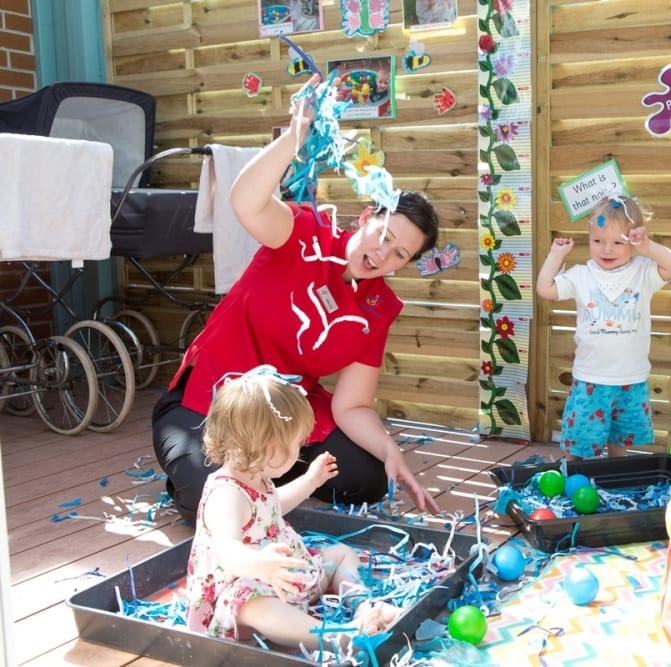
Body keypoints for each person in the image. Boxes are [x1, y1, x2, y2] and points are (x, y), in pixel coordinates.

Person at [152, 76, 442, 523]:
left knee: (367, 477)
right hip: (209, 401)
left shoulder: (378, 308)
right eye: (384, 235)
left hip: (283, 418)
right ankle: (238, 481)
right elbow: (246, 203)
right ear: (366, 217)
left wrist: (391, 451)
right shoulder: (305, 231)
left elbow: (351, 405)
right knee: (209, 500)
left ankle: (263, 481)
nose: (383, 254)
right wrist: (294, 137)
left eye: (400, 254)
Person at [185, 367, 399, 651]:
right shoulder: (226, 494)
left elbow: (273, 506)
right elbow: (225, 548)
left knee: (341, 554)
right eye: (296, 443)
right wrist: (259, 564)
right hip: (240, 590)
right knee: (257, 606)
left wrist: (310, 481)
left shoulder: (256, 477)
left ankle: (362, 605)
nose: (301, 449)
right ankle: (334, 636)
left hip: (283, 577)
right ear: (267, 446)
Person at [536, 194, 671, 459]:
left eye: (618, 242)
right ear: (589, 237)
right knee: (580, 441)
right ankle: (573, 474)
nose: (607, 250)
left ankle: (615, 477)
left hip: (631, 378)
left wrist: (647, 246)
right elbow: (544, 288)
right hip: (590, 378)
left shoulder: (643, 272)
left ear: (633, 241)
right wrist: (556, 255)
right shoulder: (581, 275)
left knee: (620, 440)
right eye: (598, 241)